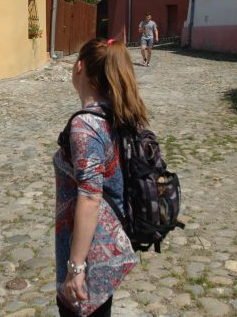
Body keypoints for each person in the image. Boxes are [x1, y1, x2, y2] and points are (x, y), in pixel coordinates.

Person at [53, 38, 147, 316]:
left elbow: (90, 198)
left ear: (79, 67)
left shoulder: (86, 125)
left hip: (88, 250)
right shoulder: (118, 114)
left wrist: (76, 268)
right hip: (107, 242)